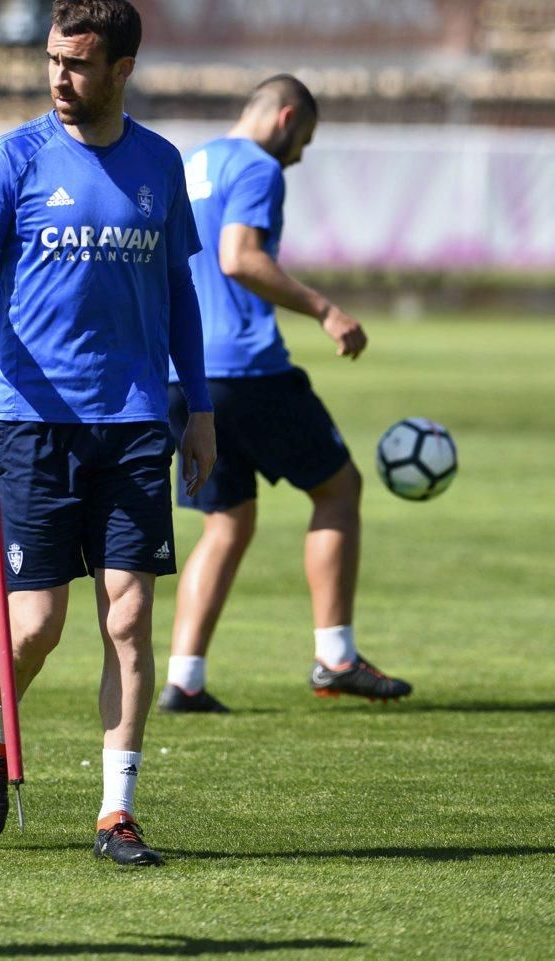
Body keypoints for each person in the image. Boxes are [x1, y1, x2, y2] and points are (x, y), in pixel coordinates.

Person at [0, 0, 216, 866]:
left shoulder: (160, 164)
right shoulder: (15, 159)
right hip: (31, 417)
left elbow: (181, 294)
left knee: (128, 620)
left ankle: (117, 810)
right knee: (34, 628)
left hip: (135, 417)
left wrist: (199, 408)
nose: (60, 76)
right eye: (53, 59)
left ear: (121, 68)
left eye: (79, 63)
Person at [159, 74, 412, 713]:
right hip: (246, 371)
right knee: (339, 487)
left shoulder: (192, 164)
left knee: (228, 519)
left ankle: (184, 678)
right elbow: (238, 257)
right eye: (305, 138)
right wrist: (325, 309)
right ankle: (336, 656)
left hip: (183, 373)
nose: (300, 153)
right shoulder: (259, 168)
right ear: (286, 117)